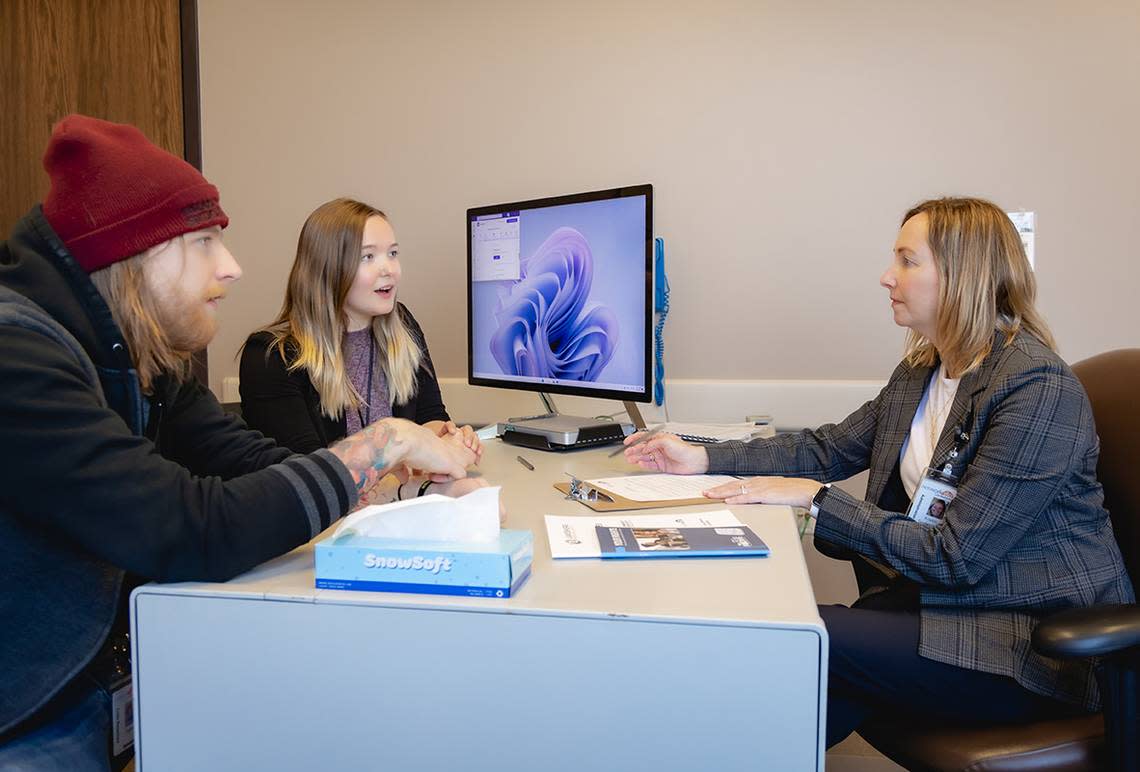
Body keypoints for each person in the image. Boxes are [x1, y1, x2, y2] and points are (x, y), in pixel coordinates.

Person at [0, 115, 476, 770]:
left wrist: (387, 499)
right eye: (202, 241)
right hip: (28, 710)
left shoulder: (144, 362)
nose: (231, 267)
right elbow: (190, 527)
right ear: (131, 255)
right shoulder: (17, 354)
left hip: (103, 670)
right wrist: (383, 445)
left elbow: (251, 459)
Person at [623, 197, 1134, 747]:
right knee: (798, 687)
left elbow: (955, 556)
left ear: (965, 274)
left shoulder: (1036, 388)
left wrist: (817, 501)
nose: (887, 277)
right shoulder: (923, 372)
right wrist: (701, 458)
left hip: (1035, 640)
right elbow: (827, 449)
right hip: (940, 607)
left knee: (796, 642)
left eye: (908, 261)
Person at [239, 198, 484, 505]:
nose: (389, 270)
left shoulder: (403, 327)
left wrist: (450, 442)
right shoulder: (271, 356)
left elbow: (431, 418)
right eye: (367, 257)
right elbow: (310, 479)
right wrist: (406, 460)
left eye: (392, 254)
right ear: (327, 269)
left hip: (399, 509)